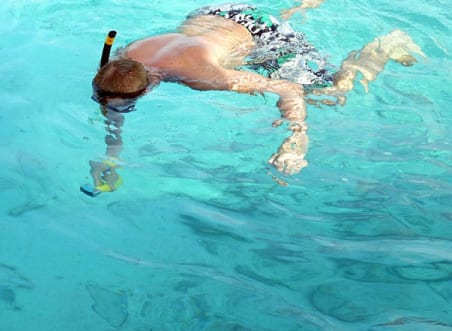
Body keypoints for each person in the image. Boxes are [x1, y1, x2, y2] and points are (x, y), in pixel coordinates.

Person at [83, 0, 423, 194]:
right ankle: (301, 6)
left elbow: (287, 89)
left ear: (149, 87)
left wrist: (296, 137)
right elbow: (113, 109)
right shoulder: (126, 59)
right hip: (216, 11)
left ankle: (387, 44)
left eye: (129, 105)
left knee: (329, 91)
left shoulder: (203, 77)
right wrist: (111, 157)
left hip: (261, 32)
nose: (118, 110)